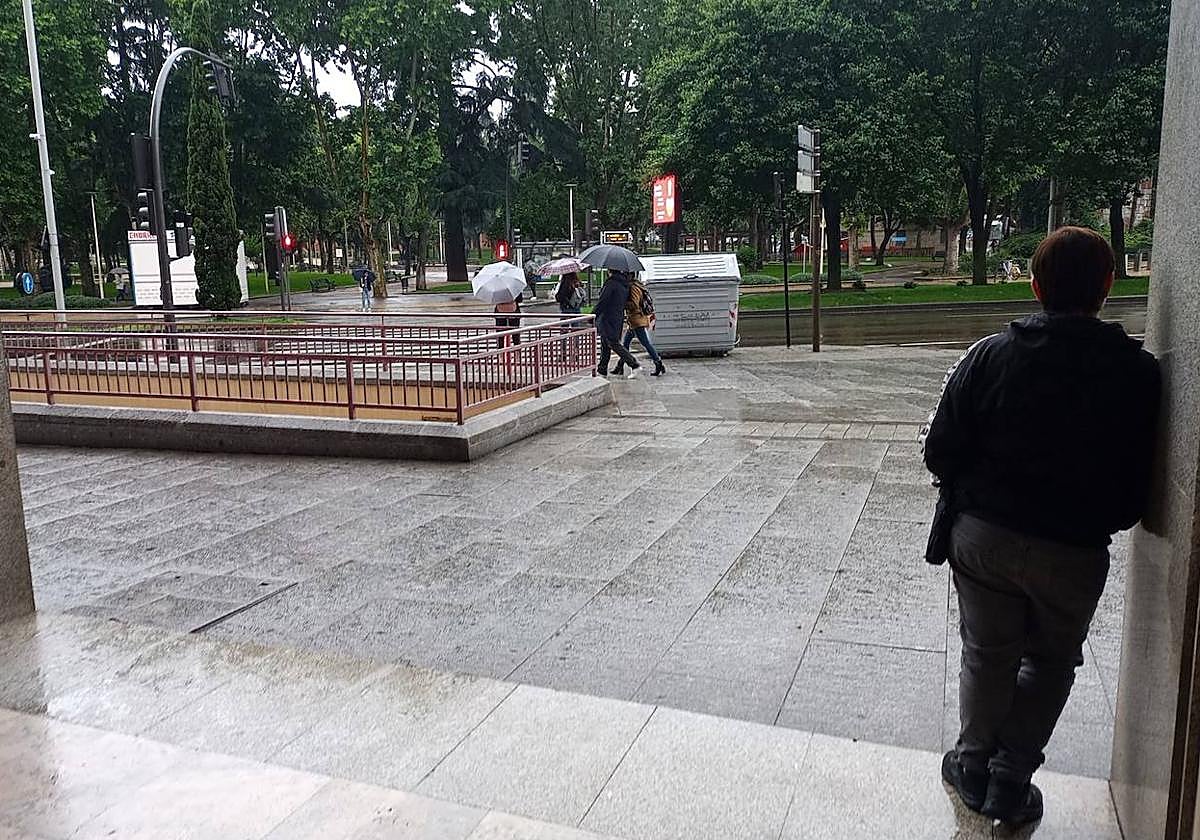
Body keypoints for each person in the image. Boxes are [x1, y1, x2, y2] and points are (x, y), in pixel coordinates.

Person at [923, 226, 1160, 827]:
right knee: (1052, 662)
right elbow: (1138, 481)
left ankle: (971, 762)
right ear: (1109, 286)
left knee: (986, 652)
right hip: (1075, 549)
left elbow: (940, 450)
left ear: (1034, 286)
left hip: (984, 538)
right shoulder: (1139, 375)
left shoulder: (990, 355)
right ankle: (1011, 777)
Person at [613, 276, 665, 377]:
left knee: (645, 343)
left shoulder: (633, 288)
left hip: (637, 320)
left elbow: (634, 304)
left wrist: (622, 303)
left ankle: (658, 363)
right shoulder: (636, 285)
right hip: (634, 320)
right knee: (625, 344)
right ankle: (620, 366)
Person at [593, 270, 640, 378]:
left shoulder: (611, 284)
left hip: (608, 318)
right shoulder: (624, 283)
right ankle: (602, 369)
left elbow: (603, 302)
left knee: (613, 343)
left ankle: (634, 364)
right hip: (617, 317)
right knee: (605, 344)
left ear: (610, 271)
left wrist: (593, 314)